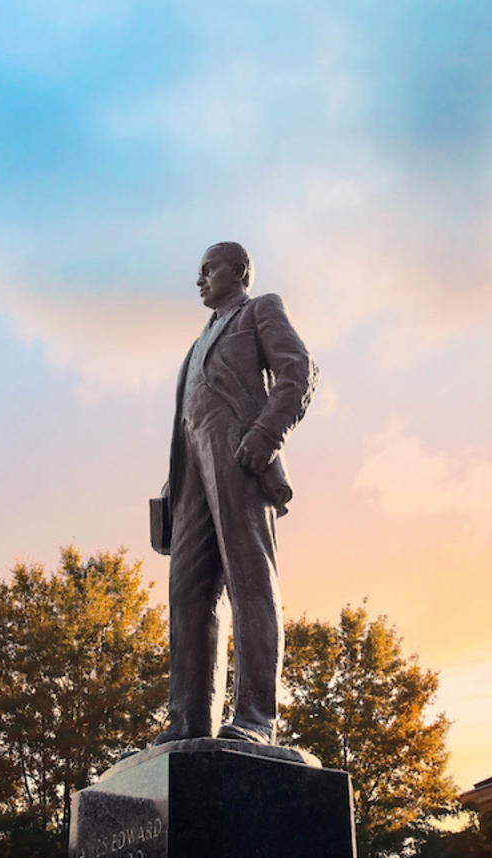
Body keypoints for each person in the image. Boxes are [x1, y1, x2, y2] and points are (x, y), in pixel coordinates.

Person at [152, 241, 318, 745]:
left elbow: (298, 371)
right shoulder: (195, 342)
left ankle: (255, 718)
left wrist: (267, 433)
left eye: (209, 269)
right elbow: (188, 419)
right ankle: (187, 720)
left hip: (241, 456)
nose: (200, 280)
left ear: (239, 271)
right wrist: (174, 480)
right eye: (198, 272)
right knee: (187, 594)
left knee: (251, 581)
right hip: (192, 475)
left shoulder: (260, 309)